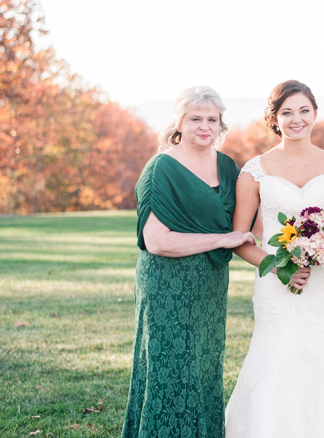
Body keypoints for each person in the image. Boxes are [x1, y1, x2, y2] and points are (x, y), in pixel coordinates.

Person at [225, 80, 324, 438]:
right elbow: (239, 240)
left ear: (315, 114)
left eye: (303, 110)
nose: (296, 119)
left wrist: (323, 252)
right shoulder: (253, 172)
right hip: (278, 286)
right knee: (278, 357)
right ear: (274, 118)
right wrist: (281, 267)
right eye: (287, 112)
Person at [122, 86, 256, 438]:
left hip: (210, 283)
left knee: (205, 368)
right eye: (195, 118)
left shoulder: (227, 168)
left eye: (212, 119)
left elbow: (250, 219)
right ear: (179, 122)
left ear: (220, 125)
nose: (204, 126)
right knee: (171, 370)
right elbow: (157, 241)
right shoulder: (161, 168)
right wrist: (221, 240)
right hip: (168, 283)